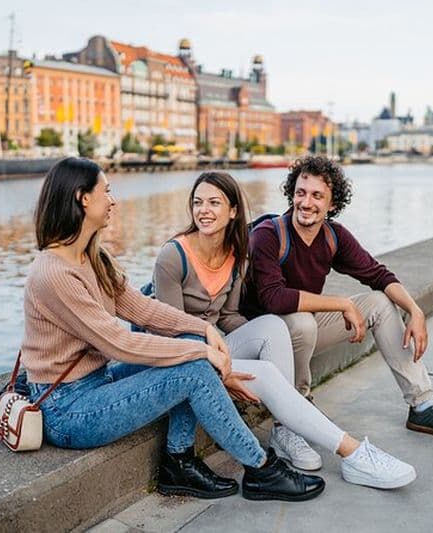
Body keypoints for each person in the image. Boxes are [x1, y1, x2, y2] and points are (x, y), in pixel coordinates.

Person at [21, 157, 325, 502]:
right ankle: (260, 467)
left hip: (97, 382)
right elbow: (120, 342)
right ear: (82, 199)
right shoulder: (54, 273)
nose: (113, 200)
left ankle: (178, 461)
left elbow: (142, 308)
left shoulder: (92, 256)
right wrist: (204, 351)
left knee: (191, 342)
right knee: (194, 369)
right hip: (68, 410)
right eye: (106, 191)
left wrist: (202, 330)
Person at [153, 171, 417, 489]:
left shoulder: (234, 255)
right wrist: (221, 364)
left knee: (274, 326)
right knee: (266, 370)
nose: (204, 210)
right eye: (197, 203)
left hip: (217, 346)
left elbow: (229, 315)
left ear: (233, 211)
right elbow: (169, 331)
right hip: (186, 354)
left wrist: (262, 341)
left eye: (214, 203)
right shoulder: (173, 256)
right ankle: (354, 453)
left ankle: (288, 429)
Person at [242, 155, 433, 443]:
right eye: (301, 193)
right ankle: (297, 409)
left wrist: (416, 311)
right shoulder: (268, 235)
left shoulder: (333, 236)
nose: (306, 203)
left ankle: (423, 405)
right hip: (264, 337)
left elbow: (378, 274)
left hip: (302, 331)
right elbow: (274, 299)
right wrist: (342, 304)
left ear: (332, 204)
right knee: (304, 322)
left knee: (380, 303)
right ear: (292, 194)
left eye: (317, 196)